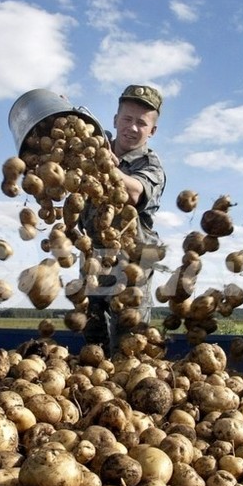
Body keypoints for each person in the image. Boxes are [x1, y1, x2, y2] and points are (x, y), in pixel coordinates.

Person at [80, 84, 166, 354]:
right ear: (115, 120)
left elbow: (134, 192)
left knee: (130, 341)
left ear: (152, 130)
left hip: (134, 262)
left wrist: (103, 163)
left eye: (142, 123)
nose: (133, 127)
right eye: (127, 119)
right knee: (94, 338)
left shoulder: (151, 166)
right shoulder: (96, 144)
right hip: (96, 257)